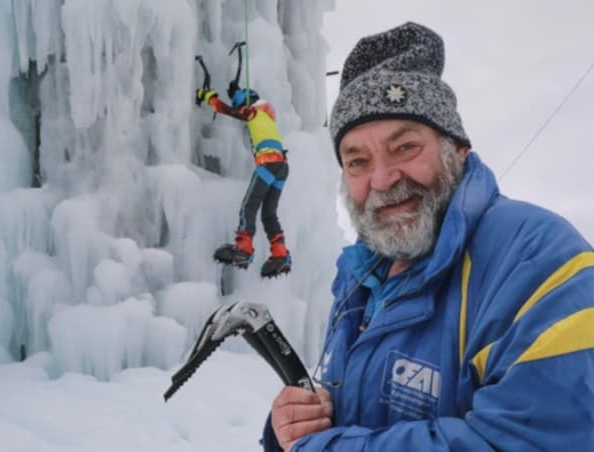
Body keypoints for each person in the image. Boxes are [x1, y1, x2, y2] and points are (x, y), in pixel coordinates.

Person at [262, 21, 594, 451]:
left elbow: (537, 439)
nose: (382, 179)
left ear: (458, 151)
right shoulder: (362, 276)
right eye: (357, 160)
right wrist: (295, 426)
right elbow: (345, 415)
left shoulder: (542, 259)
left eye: (405, 148)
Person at [195, 83, 292, 278]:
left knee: (249, 206)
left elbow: (226, 110)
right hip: (282, 167)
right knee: (269, 214)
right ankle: (280, 254)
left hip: (268, 163)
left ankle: (244, 249)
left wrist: (207, 95)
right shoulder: (267, 115)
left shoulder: (254, 112)